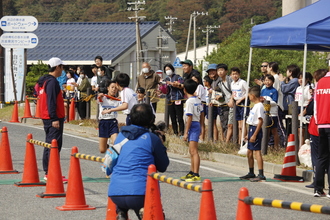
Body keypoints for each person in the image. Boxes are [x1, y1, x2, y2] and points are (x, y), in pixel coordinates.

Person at [108, 103, 169, 220]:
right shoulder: (152, 138)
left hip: (115, 192)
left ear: (130, 117)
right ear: (151, 119)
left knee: (130, 198)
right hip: (140, 193)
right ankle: (143, 210)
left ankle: (121, 211)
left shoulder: (120, 137)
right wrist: (161, 145)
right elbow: (163, 166)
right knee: (149, 208)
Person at [37, 57, 67, 182]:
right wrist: (54, 117)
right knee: (54, 145)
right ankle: (50, 172)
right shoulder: (52, 82)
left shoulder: (43, 81)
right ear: (57, 67)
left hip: (46, 116)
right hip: (53, 118)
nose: (62, 70)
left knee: (49, 144)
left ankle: (49, 171)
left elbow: (37, 92)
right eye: (62, 67)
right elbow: (51, 101)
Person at [240, 86, 266, 181]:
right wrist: (249, 134)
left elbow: (260, 121)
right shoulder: (255, 105)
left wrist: (255, 134)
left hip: (256, 129)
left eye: (249, 95)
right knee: (249, 151)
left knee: (257, 152)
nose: (249, 97)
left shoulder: (259, 106)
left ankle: (261, 173)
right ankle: (251, 172)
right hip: (251, 128)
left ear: (253, 96)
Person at [181, 79, 203, 182]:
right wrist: (202, 126)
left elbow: (189, 117)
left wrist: (186, 132)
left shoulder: (189, 102)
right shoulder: (198, 100)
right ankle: (191, 171)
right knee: (191, 150)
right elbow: (202, 113)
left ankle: (196, 173)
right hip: (197, 124)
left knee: (194, 151)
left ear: (184, 90)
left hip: (192, 125)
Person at [314, 71, 330, 197]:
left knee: (321, 157)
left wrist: (318, 122)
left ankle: (318, 189)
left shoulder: (320, 82)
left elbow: (316, 105)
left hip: (321, 123)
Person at [97, 80, 120, 153]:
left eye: (116, 88)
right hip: (103, 122)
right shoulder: (103, 98)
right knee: (102, 150)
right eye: (112, 87)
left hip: (113, 122)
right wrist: (99, 96)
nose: (114, 89)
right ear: (108, 88)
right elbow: (99, 100)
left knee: (116, 143)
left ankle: (112, 156)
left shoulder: (118, 100)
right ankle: (106, 146)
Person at [164, 63, 185, 136]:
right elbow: (164, 90)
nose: (168, 71)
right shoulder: (165, 79)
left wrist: (174, 84)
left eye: (169, 69)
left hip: (178, 99)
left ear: (172, 69)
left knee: (179, 117)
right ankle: (175, 132)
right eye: (166, 70)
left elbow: (182, 86)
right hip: (170, 100)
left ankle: (182, 132)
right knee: (172, 117)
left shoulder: (178, 77)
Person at [261, 74, 280, 149]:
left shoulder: (274, 91)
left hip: (273, 113)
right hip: (265, 113)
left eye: (269, 80)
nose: (267, 82)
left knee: (274, 130)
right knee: (266, 130)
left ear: (272, 82)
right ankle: (265, 146)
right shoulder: (263, 90)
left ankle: (276, 147)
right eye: (266, 80)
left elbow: (275, 102)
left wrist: (266, 102)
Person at [231, 67, 248, 145]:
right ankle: (240, 142)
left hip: (243, 103)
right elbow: (233, 93)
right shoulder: (232, 83)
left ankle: (244, 141)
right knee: (239, 125)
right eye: (233, 74)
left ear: (239, 74)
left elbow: (249, 92)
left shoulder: (242, 82)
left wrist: (241, 99)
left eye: (236, 74)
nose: (235, 76)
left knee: (242, 124)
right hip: (236, 103)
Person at [216, 63, 233, 142]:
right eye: (218, 70)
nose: (220, 72)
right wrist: (221, 96)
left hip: (234, 103)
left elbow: (234, 91)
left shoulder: (230, 79)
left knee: (232, 124)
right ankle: (228, 140)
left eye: (222, 70)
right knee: (226, 123)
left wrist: (232, 100)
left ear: (226, 71)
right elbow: (225, 94)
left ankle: (233, 141)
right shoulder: (220, 83)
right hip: (227, 103)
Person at [207, 63, 220, 141]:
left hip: (222, 104)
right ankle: (215, 140)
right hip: (213, 104)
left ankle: (225, 141)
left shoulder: (221, 80)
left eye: (213, 71)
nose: (211, 73)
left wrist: (214, 91)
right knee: (213, 122)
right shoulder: (212, 82)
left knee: (223, 124)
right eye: (210, 71)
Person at [191, 74, 206, 142]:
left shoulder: (199, 86)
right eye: (192, 80)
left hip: (201, 105)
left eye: (195, 79)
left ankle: (202, 137)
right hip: (196, 104)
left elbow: (198, 96)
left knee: (201, 122)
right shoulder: (194, 87)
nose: (193, 81)